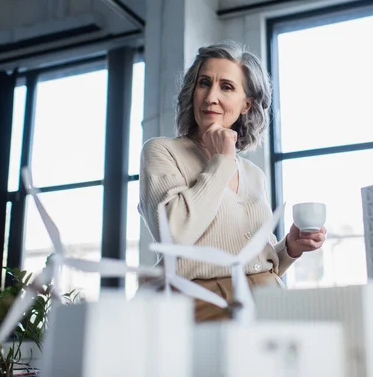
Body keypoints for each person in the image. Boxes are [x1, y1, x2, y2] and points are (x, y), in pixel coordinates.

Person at [138, 41, 326, 321]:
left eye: (226, 87)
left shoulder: (253, 174)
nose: (210, 96)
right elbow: (173, 234)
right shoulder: (162, 151)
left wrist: (289, 249)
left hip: (270, 300)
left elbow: (251, 259)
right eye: (204, 83)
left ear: (246, 104)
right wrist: (221, 163)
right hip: (203, 306)